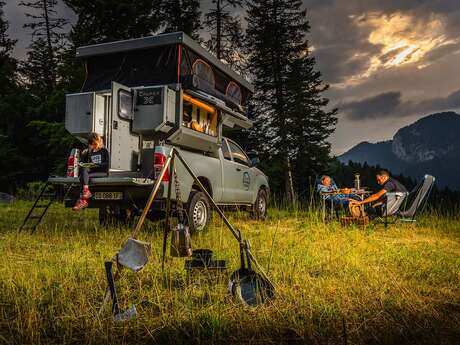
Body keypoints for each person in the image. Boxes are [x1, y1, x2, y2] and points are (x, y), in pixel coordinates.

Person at [73, 133, 109, 211]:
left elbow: (107, 164)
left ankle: (83, 200)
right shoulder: (91, 151)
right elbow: (85, 163)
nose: (93, 146)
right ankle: (85, 194)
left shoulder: (104, 150)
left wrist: (96, 164)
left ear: (99, 141)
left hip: (102, 172)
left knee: (83, 177)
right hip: (93, 171)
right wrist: (83, 160)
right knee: (83, 170)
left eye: (95, 144)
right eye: (92, 145)